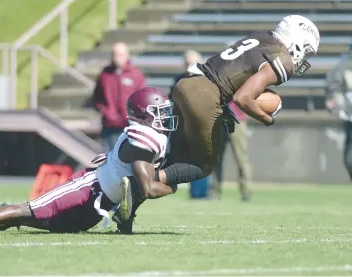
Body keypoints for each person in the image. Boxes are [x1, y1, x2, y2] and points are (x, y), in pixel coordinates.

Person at [113, 15, 321, 234]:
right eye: (306, 51)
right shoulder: (283, 59)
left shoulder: (261, 37)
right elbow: (244, 98)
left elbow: (230, 75)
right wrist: (268, 118)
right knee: (202, 166)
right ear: (296, 42)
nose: (304, 58)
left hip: (187, 83)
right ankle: (140, 183)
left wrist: (225, 109)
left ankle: (126, 213)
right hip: (205, 96)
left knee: (175, 160)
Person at [0, 87, 202, 236]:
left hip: (98, 206)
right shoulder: (143, 138)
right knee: (28, 210)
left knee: (48, 224)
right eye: (160, 112)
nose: (166, 117)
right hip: (87, 188)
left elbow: (140, 186)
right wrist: (173, 184)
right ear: (144, 115)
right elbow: (148, 188)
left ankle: (7, 218)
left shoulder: (152, 136)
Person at [93, 42, 145, 152]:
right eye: (114, 55)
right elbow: (97, 98)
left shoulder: (135, 74)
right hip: (110, 127)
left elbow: (142, 99)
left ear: (127, 55)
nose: (117, 58)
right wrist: (106, 112)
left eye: (120, 55)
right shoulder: (105, 74)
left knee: (129, 162)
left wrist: (132, 116)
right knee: (109, 161)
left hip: (130, 127)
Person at [211, 101, 252, 201]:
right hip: (219, 120)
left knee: (241, 159)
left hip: (237, 120)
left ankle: (246, 192)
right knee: (215, 159)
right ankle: (214, 193)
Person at [325, 49, 352, 181]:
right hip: (350, 117)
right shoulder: (343, 66)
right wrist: (336, 105)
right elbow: (333, 87)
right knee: (349, 159)